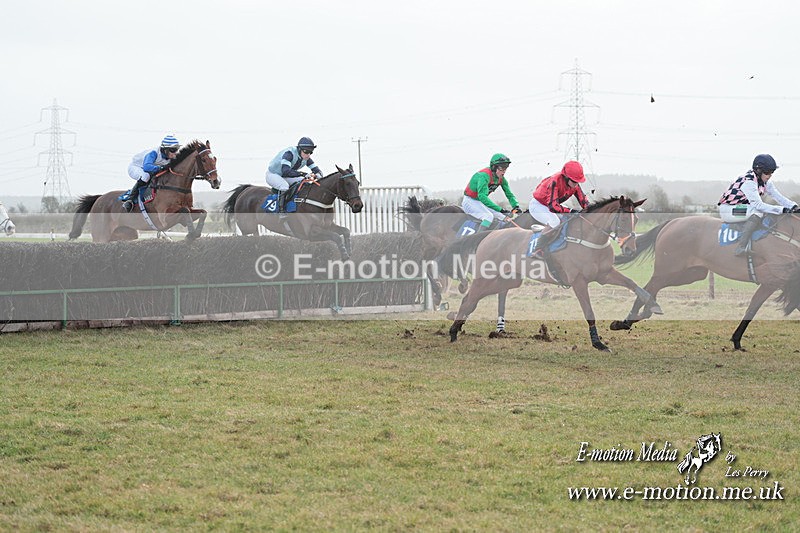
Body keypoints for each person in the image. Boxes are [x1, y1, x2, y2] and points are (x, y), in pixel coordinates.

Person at [718, 154, 799, 256]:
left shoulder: (765, 182)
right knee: (758, 211)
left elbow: (778, 197)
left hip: (742, 208)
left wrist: (793, 206)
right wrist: (782, 210)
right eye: (767, 172)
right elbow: (758, 205)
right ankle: (741, 247)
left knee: (763, 212)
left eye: (772, 172)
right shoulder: (749, 182)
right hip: (728, 210)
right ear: (758, 170)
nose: (770, 175)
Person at [527, 160, 589, 253]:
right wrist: (571, 211)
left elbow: (583, 201)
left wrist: (591, 211)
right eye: (574, 181)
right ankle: (537, 248)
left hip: (551, 204)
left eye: (578, 181)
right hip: (538, 205)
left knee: (571, 219)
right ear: (566, 177)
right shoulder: (554, 181)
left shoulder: (574, 184)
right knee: (555, 222)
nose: (576, 184)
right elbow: (553, 207)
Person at [462, 153, 521, 231]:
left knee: (505, 218)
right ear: (494, 167)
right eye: (501, 169)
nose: (503, 172)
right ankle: (478, 239)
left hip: (480, 203)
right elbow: (482, 197)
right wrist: (501, 209)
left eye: (505, 169)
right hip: (470, 201)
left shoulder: (501, 179)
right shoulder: (483, 176)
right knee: (488, 217)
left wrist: (515, 206)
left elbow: (509, 194)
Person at [266, 137, 324, 216]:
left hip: (285, 176)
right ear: (299, 149)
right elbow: (286, 171)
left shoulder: (306, 157)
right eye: (306, 152)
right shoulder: (289, 154)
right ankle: (281, 210)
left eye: (311, 152)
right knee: (284, 186)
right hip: (273, 174)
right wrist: (303, 174)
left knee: (303, 181)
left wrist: (319, 175)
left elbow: (316, 169)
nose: (308, 155)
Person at [123, 134, 181, 212]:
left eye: (177, 149)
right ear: (165, 150)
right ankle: (130, 199)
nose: (175, 153)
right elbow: (147, 167)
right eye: (173, 150)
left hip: (148, 168)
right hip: (136, 167)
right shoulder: (153, 153)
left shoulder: (170, 156)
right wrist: (160, 168)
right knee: (145, 176)